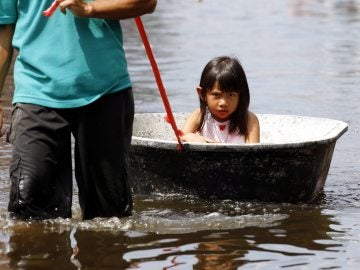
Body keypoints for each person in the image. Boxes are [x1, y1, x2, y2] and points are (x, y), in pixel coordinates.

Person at [0, 0, 157, 220]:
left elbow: (146, 3)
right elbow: (3, 31)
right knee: (29, 212)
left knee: (109, 217)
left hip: (106, 89)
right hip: (35, 92)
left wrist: (91, 9)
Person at [181, 56, 260, 144]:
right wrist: (190, 137)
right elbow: (179, 139)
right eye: (216, 94)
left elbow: (254, 152)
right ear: (202, 94)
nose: (223, 103)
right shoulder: (200, 115)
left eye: (231, 95)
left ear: (241, 96)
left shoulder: (249, 119)